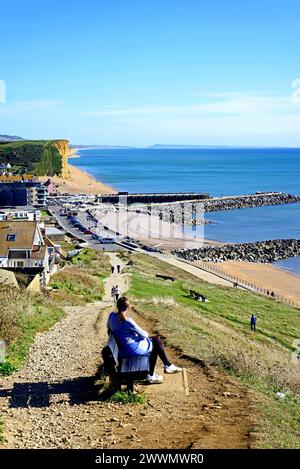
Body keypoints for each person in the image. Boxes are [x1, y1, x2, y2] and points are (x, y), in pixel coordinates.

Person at [107, 297, 182, 384]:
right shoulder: (127, 321)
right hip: (130, 350)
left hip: (122, 349)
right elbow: (144, 335)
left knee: (154, 342)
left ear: (117, 306)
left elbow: (109, 330)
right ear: (127, 307)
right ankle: (162, 369)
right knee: (156, 342)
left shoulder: (111, 316)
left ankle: (162, 368)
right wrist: (135, 335)